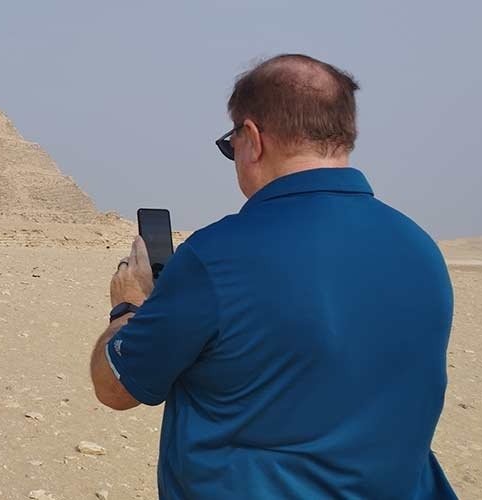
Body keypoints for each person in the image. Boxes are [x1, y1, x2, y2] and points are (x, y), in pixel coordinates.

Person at [89, 55, 457, 499]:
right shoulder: (420, 248)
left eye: (231, 144)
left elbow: (117, 386)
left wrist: (128, 306)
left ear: (253, 139)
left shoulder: (218, 256)